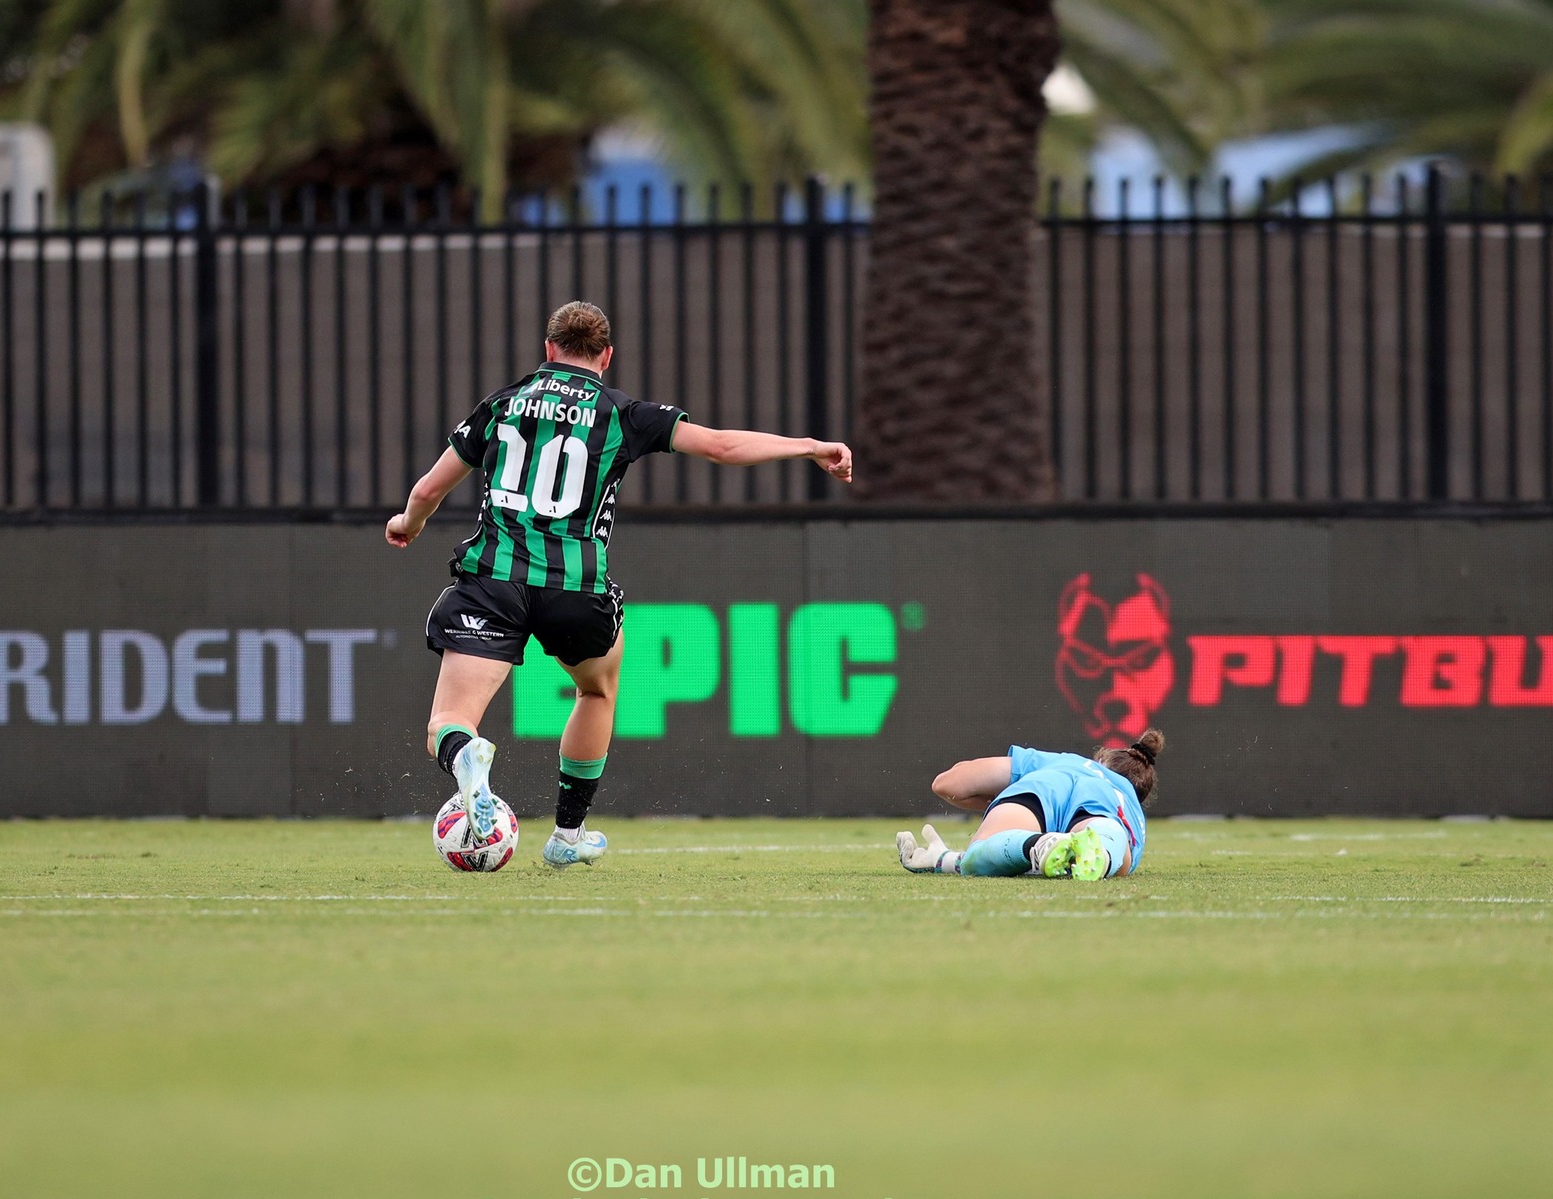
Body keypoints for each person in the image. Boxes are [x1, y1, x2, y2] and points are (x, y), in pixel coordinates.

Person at [386, 300, 853, 868]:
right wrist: (809, 446)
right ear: (606, 356)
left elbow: (429, 490)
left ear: (548, 349)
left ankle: (465, 758)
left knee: (449, 722)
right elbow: (724, 447)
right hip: (577, 589)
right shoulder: (622, 413)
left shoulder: (501, 406)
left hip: (492, 581)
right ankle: (567, 835)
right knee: (595, 691)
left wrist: (406, 524)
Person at [895, 729, 1162, 880]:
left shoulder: (1063, 762)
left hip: (1041, 789)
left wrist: (1009, 794)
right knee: (1111, 843)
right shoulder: (1129, 803)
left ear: (1100, 759)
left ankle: (1035, 845)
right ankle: (1098, 854)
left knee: (979, 855)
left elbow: (949, 784)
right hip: (1105, 812)